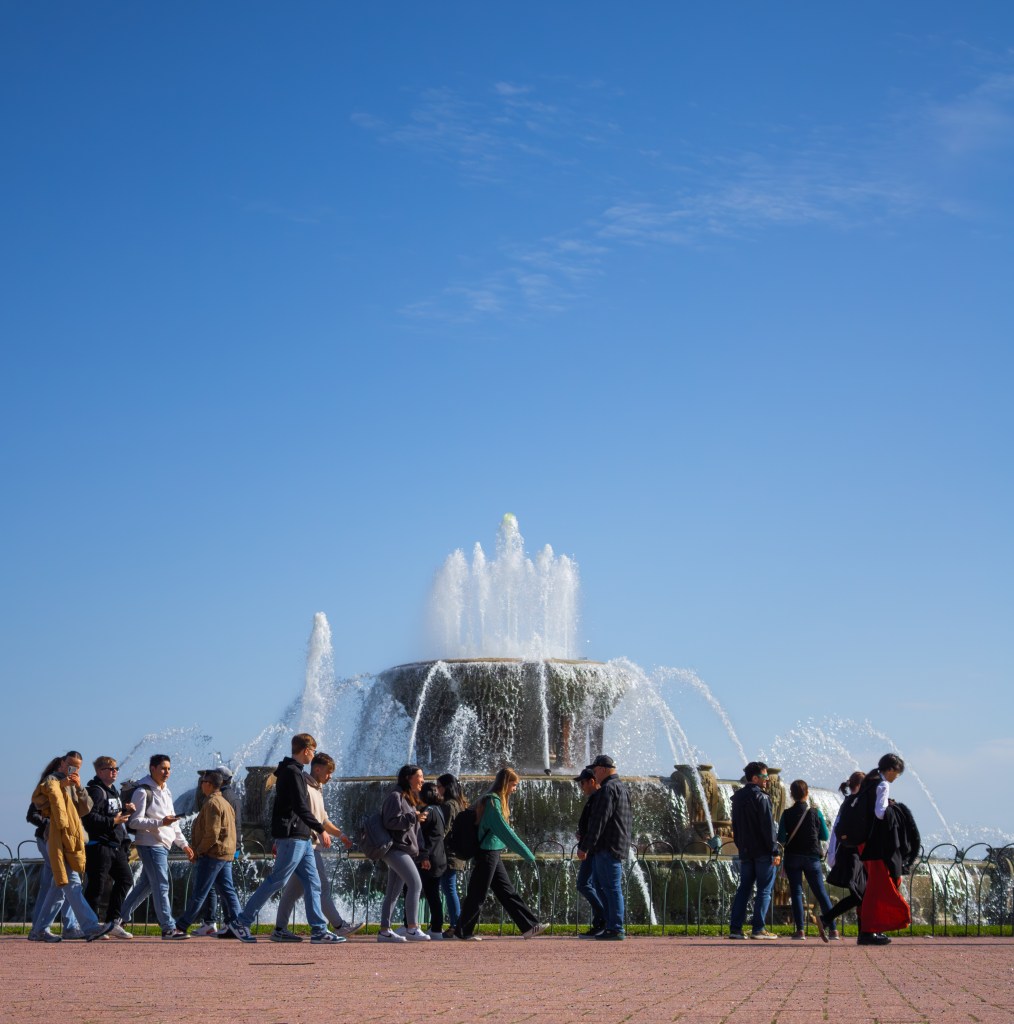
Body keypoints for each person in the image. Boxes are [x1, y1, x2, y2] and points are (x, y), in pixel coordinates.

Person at [229, 733, 344, 944]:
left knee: (313, 883)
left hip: (302, 837)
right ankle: (242, 921)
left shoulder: (293, 771)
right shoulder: (292, 772)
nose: (314, 755)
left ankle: (319, 930)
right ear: (306, 750)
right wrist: (320, 829)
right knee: (277, 880)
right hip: (292, 836)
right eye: (313, 751)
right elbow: (300, 806)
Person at [272, 752, 363, 941]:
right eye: (328, 772)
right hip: (305, 845)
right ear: (318, 769)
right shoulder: (303, 786)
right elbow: (297, 814)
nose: (330, 776)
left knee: (293, 891)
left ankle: (279, 929)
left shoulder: (317, 789)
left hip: (307, 845)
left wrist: (340, 835)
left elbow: (323, 820)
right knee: (320, 886)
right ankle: (339, 926)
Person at [31, 751, 116, 942]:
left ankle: (39, 930)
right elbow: (41, 800)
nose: (73, 769)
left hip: (70, 838)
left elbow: (85, 809)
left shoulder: (74, 784)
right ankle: (90, 926)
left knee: (59, 886)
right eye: (70, 765)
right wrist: (62, 785)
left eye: (77, 767)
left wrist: (79, 788)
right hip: (55, 838)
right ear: (62, 763)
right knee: (72, 882)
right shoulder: (51, 780)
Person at [454, 767, 544, 941]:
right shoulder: (492, 802)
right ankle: (463, 932)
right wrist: (527, 854)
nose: (515, 789)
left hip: (492, 851)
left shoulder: (492, 800)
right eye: (514, 785)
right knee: (478, 893)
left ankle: (529, 926)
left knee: (506, 891)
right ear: (505, 783)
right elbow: (504, 831)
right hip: (487, 852)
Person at [117, 754, 195, 939]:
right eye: (163, 768)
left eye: (168, 769)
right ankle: (168, 927)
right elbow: (134, 822)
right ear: (152, 768)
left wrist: (184, 845)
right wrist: (161, 822)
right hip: (150, 844)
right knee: (161, 884)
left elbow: (173, 823)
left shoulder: (166, 791)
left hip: (162, 844)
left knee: (146, 885)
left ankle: (118, 918)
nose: (166, 772)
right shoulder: (142, 791)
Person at [173, 770, 244, 936]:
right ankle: (238, 924)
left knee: (199, 892)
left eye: (203, 782)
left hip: (213, 855)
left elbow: (212, 834)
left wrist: (198, 851)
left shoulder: (212, 803)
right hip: (225, 854)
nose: (200, 785)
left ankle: (181, 927)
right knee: (228, 891)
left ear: (209, 785)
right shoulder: (224, 802)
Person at [856, 753, 909, 946]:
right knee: (877, 886)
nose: (897, 777)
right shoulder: (883, 784)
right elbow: (879, 813)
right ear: (891, 769)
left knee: (874, 884)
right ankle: (868, 931)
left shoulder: (869, 780)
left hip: (863, 841)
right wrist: (891, 808)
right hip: (875, 843)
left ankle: (872, 928)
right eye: (897, 773)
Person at [577, 754, 631, 941]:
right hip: (615, 844)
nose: (594, 773)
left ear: (601, 769)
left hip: (607, 846)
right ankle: (610, 925)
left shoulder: (607, 789)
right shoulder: (621, 787)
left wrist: (585, 847)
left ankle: (615, 928)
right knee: (604, 887)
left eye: (595, 770)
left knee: (611, 888)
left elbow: (599, 821)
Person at [82, 755, 134, 939]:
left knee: (126, 879)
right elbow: (89, 818)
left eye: (116, 768)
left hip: (115, 845)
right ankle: (91, 924)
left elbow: (114, 815)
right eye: (110, 769)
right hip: (99, 845)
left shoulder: (113, 792)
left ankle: (113, 922)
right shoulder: (96, 792)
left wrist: (127, 812)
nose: (114, 772)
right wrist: (113, 821)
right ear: (99, 771)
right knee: (96, 886)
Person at [377, 764, 431, 942]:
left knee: (393, 891)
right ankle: (412, 928)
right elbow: (389, 822)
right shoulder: (396, 796)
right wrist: (413, 817)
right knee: (415, 883)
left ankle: (384, 931)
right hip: (395, 849)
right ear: (408, 778)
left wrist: (421, 851)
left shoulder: (408, 798)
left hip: (403, 849)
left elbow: (413, 829)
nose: (423, 780)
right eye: (420, 776)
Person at [728, 760, 780, 940]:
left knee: (744, 889)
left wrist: (741, 846)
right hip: (763, 851)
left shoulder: (737, 798)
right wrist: (774, 850)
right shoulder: (762, 797)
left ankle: (735, 929)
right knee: (764, 890)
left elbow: (735, 826)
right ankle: (759, 929)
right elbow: (768, 827)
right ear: (755, 778)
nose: (767, 779)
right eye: (765, 776)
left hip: (746, 851)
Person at [777, 779, 834, 940]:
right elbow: (825, 835)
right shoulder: (816, 812)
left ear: (791, 795)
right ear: (807, 793)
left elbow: (781, 838)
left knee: (796, 892)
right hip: (812, 857)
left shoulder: (786, 814)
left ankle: (800, 930)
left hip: (793, 857)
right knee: (821, 892)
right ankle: (833, 930)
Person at [820, 771, 866, 942]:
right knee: (860, 895)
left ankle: (864, 933)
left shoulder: (850, 802)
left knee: (861, 895)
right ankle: (827, 919)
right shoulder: (853, 803)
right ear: (860, 786)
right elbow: (841, 830)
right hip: (851, 855)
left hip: (851, 854)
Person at [573, 767, 607, 938]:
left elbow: (597, 826)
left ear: (592, 781)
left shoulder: (598, 798)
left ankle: (603, 918)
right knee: (589, 884)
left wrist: (585, 845)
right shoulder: (594, 798)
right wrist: (582, 833)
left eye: (583, 783)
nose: (582, 787)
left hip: (593, 849)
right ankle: (601, 920)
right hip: (591, 846)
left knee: (585, 884)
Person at [436, 772, 467, 937]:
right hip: (455, 853)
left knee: (449, 888)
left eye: (439, 787)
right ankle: (456, 924)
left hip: (448, 854)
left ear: (446, 787)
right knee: (449, 888)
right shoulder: (458, 803)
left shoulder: (448, 805)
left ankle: (456, 925)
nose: (437, 790)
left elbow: (444, 830)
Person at [415, 781, 447, 938]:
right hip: (439, 856)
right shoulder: (438, 810)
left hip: (429, 857)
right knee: (433, 894)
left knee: (417, 890)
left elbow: (420, 834)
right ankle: (436, 928)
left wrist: (424, 856)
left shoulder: (428, 811)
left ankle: (415, 925)